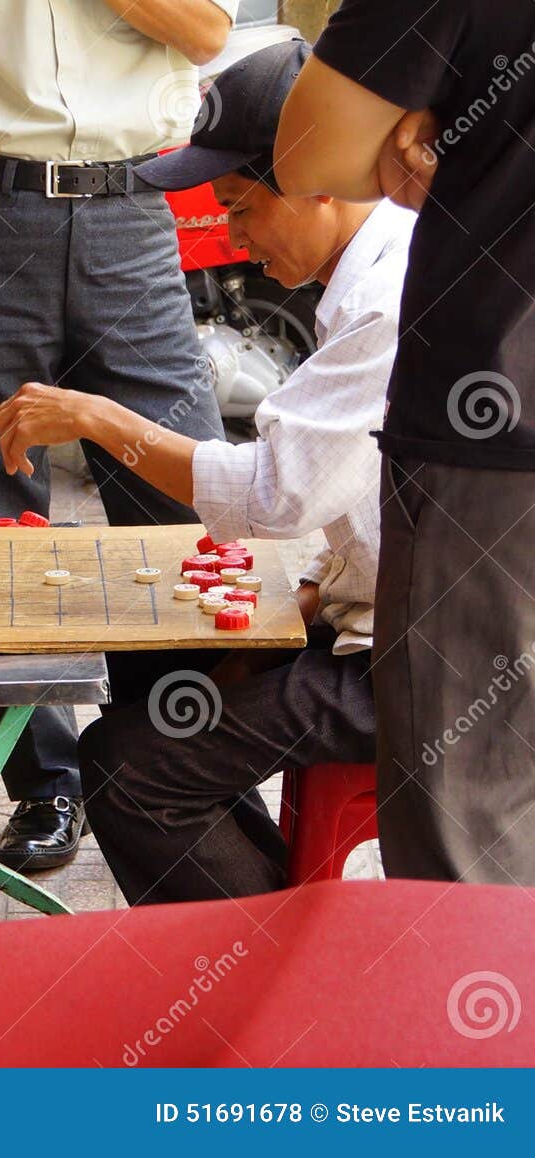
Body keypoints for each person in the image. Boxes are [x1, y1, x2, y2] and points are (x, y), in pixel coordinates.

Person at [0, 41, 411, 903]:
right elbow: (366, 493)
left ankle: (268, 975)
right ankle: (287, 912)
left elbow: (277, 498)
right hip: (385, 619)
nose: (235, 240)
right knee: (165, 679)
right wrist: (311, 600)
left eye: (243, 207)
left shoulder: (383, 306)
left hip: (419, 668)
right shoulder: (373, 275)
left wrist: (100, 417)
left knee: (127, 769)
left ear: (319, 181)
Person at [0, 0, 234, 871]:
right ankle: (45, 783)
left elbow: (209, 31)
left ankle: (165, 759)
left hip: (133, 211)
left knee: (181, 509)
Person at [273, 3, 535, 884]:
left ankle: (483, 1018)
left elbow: (312, 159)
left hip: (493, 443)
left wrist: (445, 133)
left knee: (470, 834)